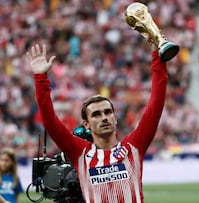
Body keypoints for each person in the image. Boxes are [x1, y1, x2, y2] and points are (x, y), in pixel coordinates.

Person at [26, 35, 170, 202]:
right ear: (86, 124)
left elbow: (156, 105)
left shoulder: (133, 147)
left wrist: (158, 58)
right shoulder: (80, 153)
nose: (104, 118)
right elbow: (51, 122)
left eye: (108, 112)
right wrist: (40, 78)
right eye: (96, 114)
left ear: (115, 118)